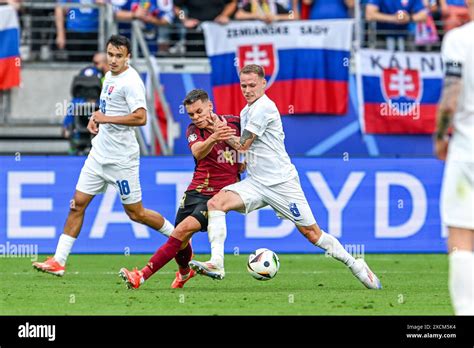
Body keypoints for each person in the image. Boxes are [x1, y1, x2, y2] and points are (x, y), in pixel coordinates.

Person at [189, 64, 382, 290]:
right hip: (257, 182)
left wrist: (219, 132)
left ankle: (356, 265)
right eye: (243, 85)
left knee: (312, 234)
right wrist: (242, 161)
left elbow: (243, 145)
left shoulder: (264, 108)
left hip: (281, 183)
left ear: (263, 83)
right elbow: (249, 150)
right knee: (216, 203)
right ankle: (217, 263)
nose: (247, 90)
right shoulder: (246, 111)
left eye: (252, 85)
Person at [33, 35, 174, 276]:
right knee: (77, 204)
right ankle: (59, 260)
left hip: (122, 160)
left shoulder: (131, 82)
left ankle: (178, 236)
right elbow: (107, 108)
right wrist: (95, 117)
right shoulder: (108, 76)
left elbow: (141, 117)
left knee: (136, 213)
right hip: (99, 154)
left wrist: (105, 118)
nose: (113, 60)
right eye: (110, 54)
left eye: (119, 56)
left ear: (128, 57)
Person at [118, 89, 241, 289]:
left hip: (218, 196)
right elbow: (198, 152)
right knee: (180, 240)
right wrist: (214, 137)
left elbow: (249, 146)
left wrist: (243, 162)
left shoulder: (235, 122)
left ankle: (141, 276)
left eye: (199, 111)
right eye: (191, 114)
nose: (196, 117)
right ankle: (184, 273)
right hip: (195, 191)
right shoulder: (194, 130)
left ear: (210, 105)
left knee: (182, 231)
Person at [434, 0, 473, 315]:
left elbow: (450, 97)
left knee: (462, 236)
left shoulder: (459, 39)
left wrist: (439, 137)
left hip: (467, 149)